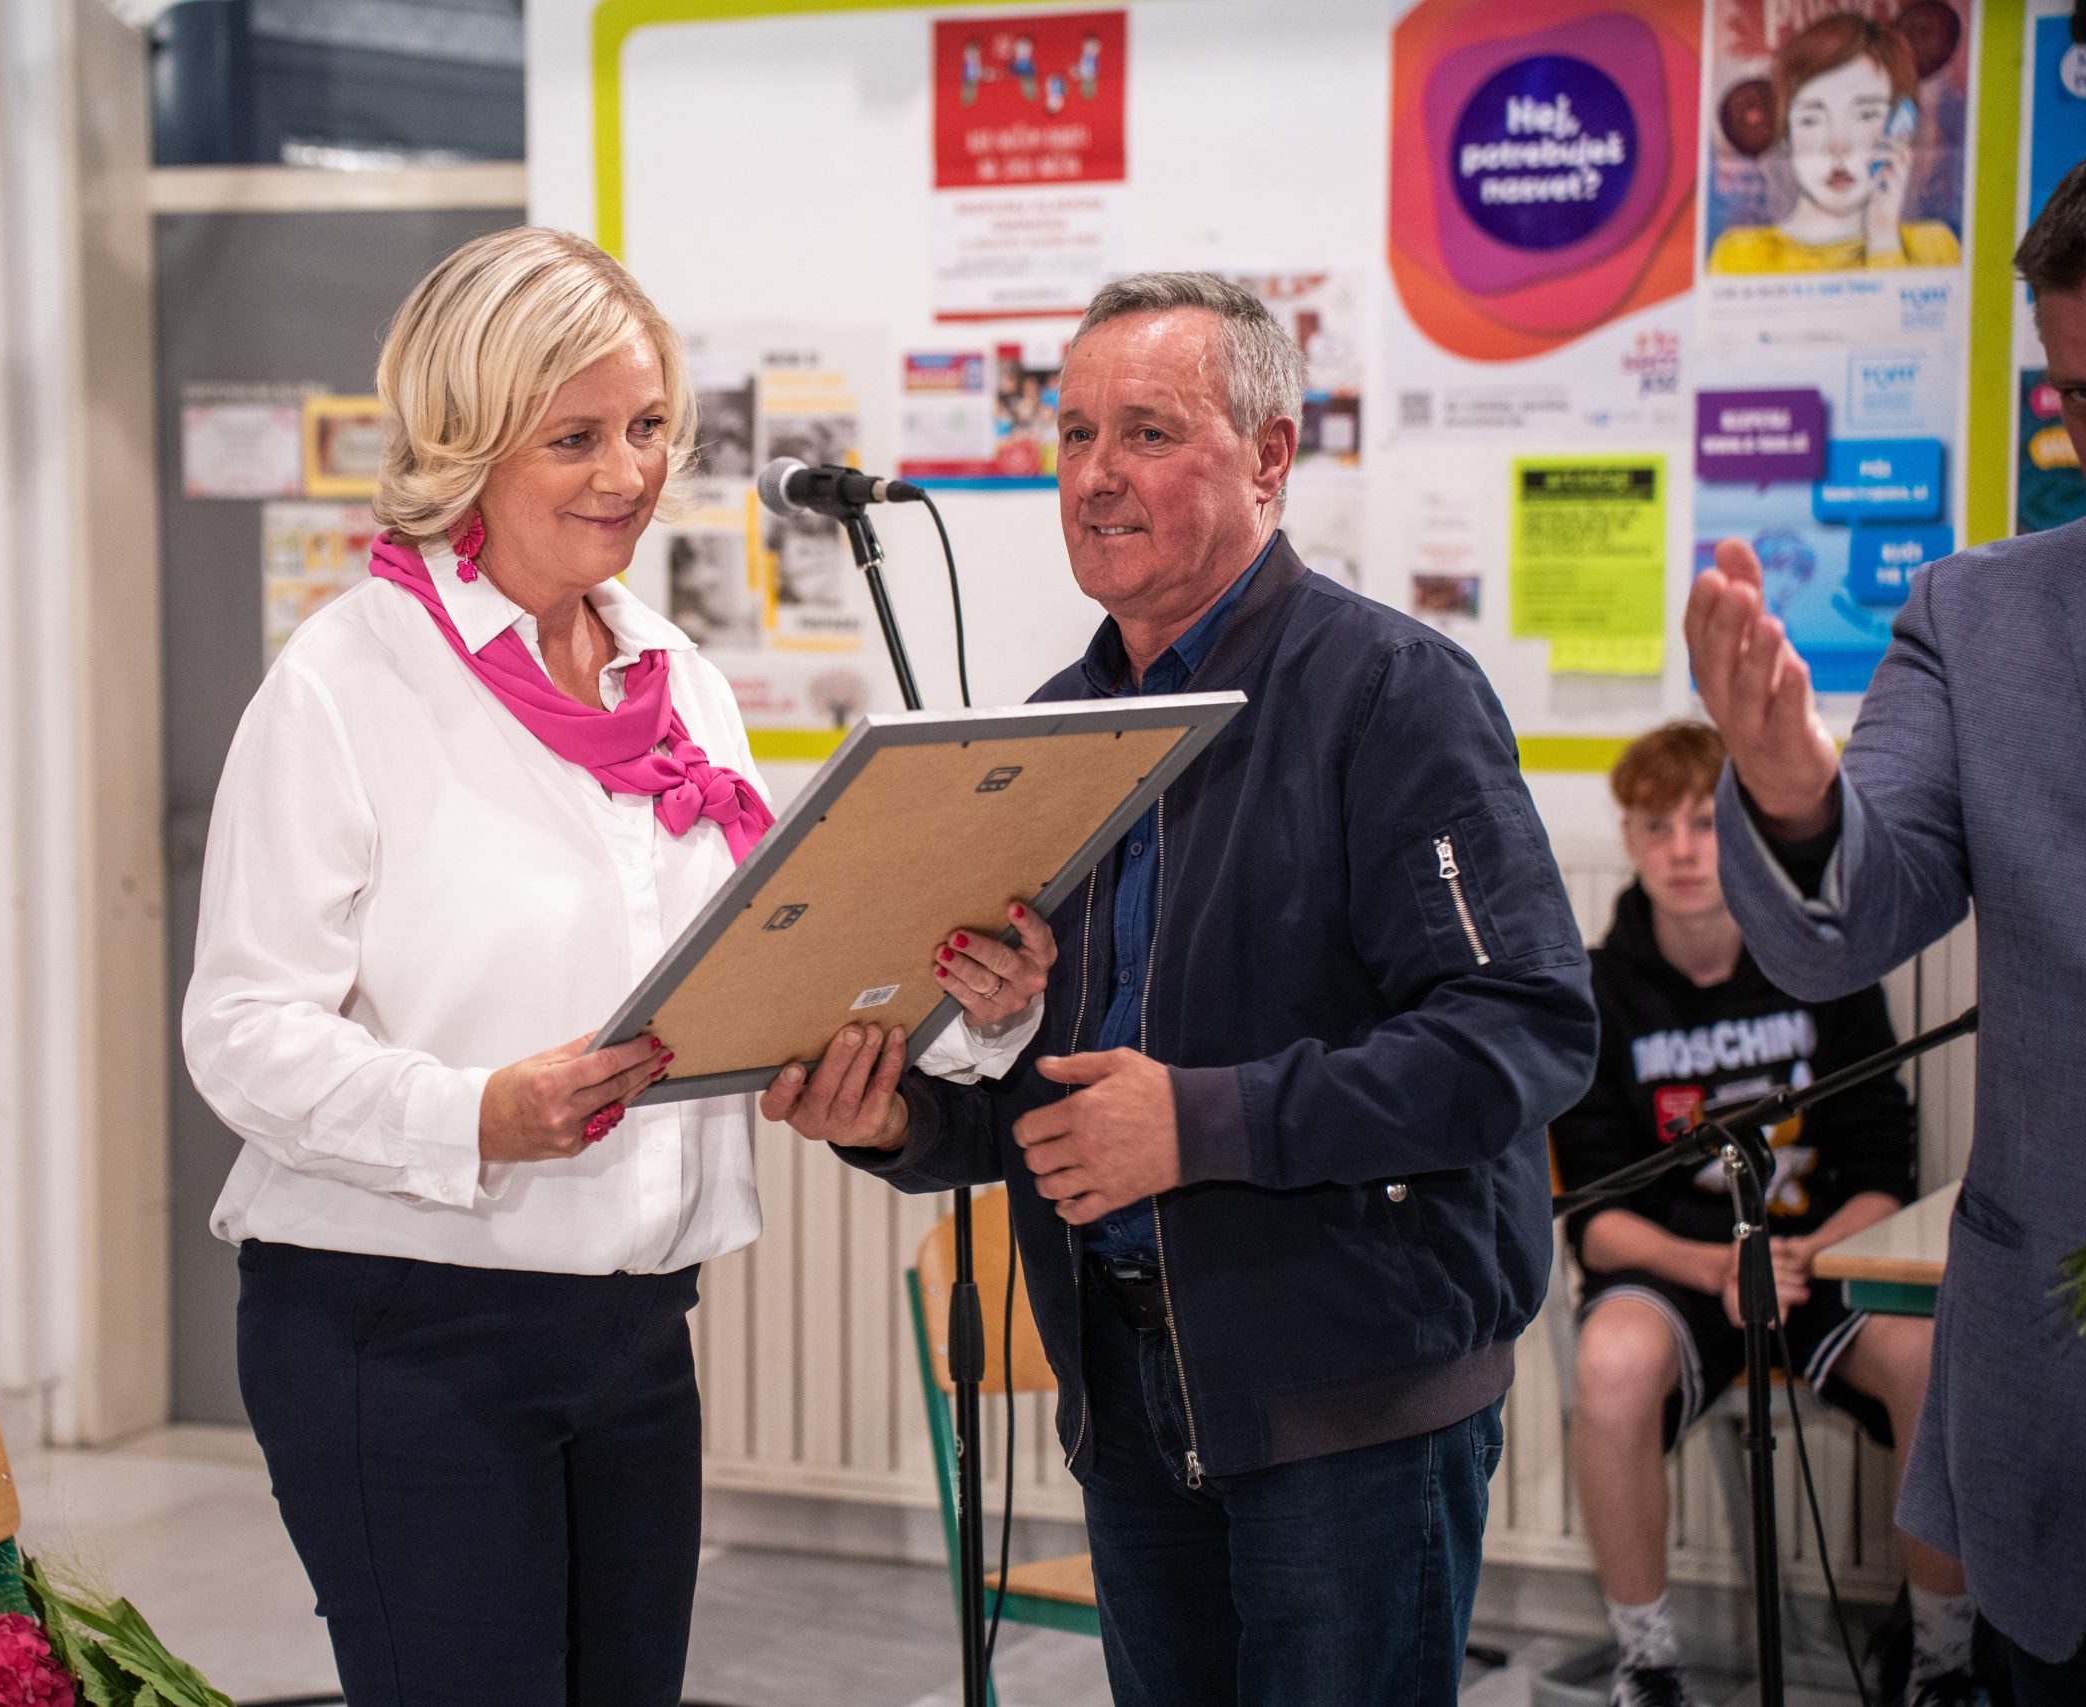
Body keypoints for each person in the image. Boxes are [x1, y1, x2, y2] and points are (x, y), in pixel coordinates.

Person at [181, 226, 1048, 1706]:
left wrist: (965, 1016)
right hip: (403, 1325)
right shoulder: (345, 682)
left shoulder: (677, 676)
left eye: (647, 426)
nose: (628, 473)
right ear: (464, 441)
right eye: (573, 437)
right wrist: (475, 1112)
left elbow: (768, 953)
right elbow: (243, 1031)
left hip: (636, 1325)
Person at [764, 272, 1599, 1705]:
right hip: (1129, 1394)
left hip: (1349, 1399)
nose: (1096, 475)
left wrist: (1203, 1123)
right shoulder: (1050, 731)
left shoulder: (1392, 692)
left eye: (1147, 431)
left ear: (1270, 456)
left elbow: (1521, 1034)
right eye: (1075, 435)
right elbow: (1057, 1099)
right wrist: (896, 1119)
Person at [1686, 160, 2086, 1706]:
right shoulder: (1977, 619)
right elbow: (1844, 926)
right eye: (2078, 398)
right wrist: (1792, 787)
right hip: (2058, 1423)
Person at [1553, 723, 1978, 1707]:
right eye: (1657, 827)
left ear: (1741, 834)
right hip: (1678, 1268)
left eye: (1704, 823)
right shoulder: (1596, 991)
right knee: (1611, 1365)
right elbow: (1597, 1220)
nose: (1682, 849)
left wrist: (1803, 1257)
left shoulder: (1822, 963)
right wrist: (1720, 1268)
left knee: (1931, 1354)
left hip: (1816, 1258)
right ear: (1629, 839)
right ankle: (1647, 1666)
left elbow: (1884, 1170)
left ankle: (1944, 1662)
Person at [1709, 12, 1960, 275]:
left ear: (1901, 123)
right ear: (1784, 133)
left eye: (1866, 115)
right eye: (1811, 119)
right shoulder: (1738, 255)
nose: (1838, 147)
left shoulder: (1934, 246)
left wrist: (1884, 239)